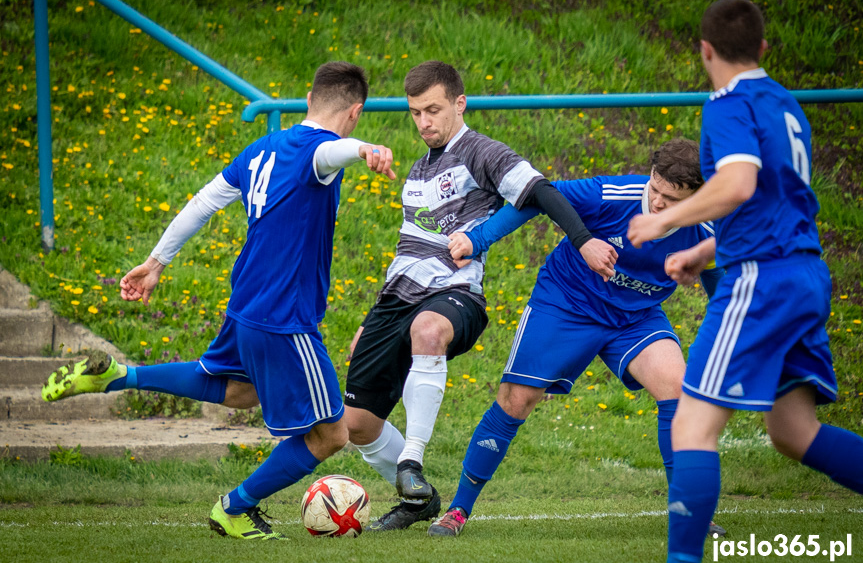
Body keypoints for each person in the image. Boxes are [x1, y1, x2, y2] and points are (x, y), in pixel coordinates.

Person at [41, 61, 398, 540]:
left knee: (239, 391)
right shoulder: (318, 153)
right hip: (284, 318)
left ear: (309, 99)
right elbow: (333, 154)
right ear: (354, 112)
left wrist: (157, 261)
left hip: (247, 303)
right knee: (332, 434)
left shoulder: (260, 150)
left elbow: (204, 202)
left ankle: (120, 376)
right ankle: (235, 507)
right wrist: (367, 150)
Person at [627, 0, 863, 562]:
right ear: (763, 49)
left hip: (762, 281)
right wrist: (707, 250)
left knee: (691, 425)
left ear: (704, 51)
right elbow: (774, 204)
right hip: (804, 274)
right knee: (793, 430)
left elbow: (737, 185)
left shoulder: (730, 102)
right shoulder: (786, 103)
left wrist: (664, 218)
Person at [343, 60, 620, 531]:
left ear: (459, 102)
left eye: (433, 110)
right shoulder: (416, 171)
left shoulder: (480, 152)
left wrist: (584, 239)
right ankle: (419, 498)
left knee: (427, 330)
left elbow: (539, 191)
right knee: (356, 424)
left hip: (455, 295)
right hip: (399, 297)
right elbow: (407, 248)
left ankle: (411, 459)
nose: (424, 122)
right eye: (415, 113)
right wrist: (373, 317)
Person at [427, 138, 727, 538]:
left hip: (634, 317)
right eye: (654, 188)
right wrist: (479, 239)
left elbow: (720, 287)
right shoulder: (612, 194)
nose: (657, 203)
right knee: (517, 400)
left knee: (677, 388)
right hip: (567, 302)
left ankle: (689, 510)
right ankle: (458, 510)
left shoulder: (706, 228)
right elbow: (538, 196)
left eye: (671, 199)